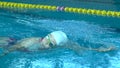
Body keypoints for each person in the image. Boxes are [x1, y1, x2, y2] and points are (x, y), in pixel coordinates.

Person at [0, 31, 116, 57]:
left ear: (55, 46)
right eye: (47, 39)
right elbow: (15, 47)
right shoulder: (31, 42)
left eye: (51, 44)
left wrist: (99, 50)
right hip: (10, 43)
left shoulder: (60, 45)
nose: (47, 44)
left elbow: (77, 46)